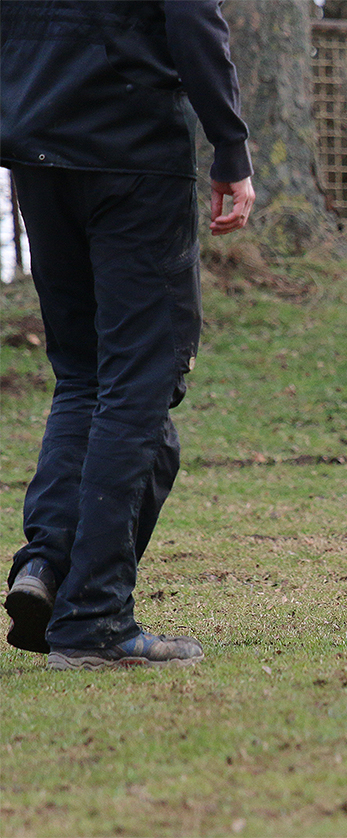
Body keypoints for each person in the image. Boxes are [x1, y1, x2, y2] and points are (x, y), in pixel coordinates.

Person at [1, 0, 254, 669]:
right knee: (138, 385)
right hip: (130, 148)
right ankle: (94, 620)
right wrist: (229, 144)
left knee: (82, 376)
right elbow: (193, 16)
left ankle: (46, 566)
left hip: (35, 141)